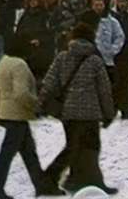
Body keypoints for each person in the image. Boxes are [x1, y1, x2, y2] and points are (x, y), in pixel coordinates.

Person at [40, 19, 117, 196]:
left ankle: (73, 180)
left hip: (68, 113)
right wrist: (108, 114)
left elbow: (49, 83)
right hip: (90, 114)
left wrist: (42, 102)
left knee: (73, 147)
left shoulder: (62, 57)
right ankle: (55, 178)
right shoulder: (95, 61)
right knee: (91, 148)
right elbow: (104, 91)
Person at [0, 42, 56, 198]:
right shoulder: (19, 65)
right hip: (17, 114)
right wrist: (36, 105)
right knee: (7, 153)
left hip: (7, 112)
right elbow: (21, 93)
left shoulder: (4, 61)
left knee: (29, 152)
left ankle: (41, 186)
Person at [93, 0, 128, 120]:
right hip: (93, 60)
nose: (99, 7)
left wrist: (113, 49)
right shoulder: (87, 20)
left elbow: (119, 36)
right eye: (96, 5)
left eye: (101, 5)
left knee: (111, 88)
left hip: (109, 61)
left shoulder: (112, 21)